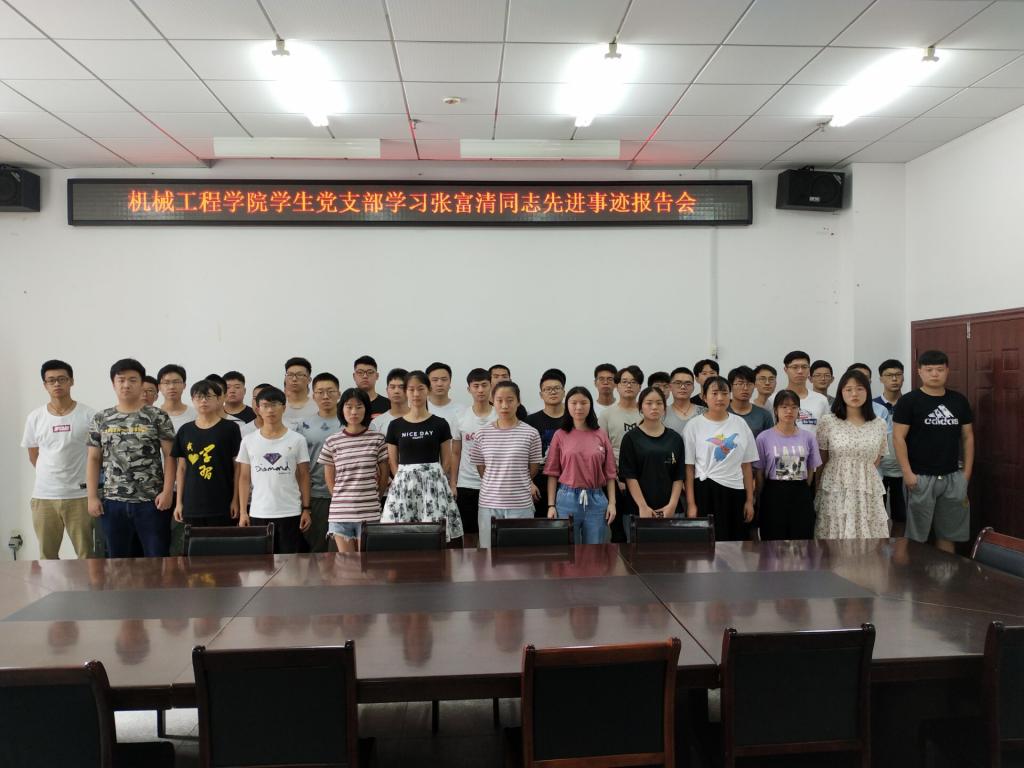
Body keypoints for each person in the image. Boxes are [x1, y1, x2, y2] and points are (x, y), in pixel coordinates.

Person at [87, 359, 176, 557]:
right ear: (113, 384)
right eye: (121, 380)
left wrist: (168, 491)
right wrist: (92, 496)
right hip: (113, 502)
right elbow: (93, 459)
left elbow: (170, 456)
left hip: (152, 501)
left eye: (133, 380)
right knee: (117, 563)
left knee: (157, 560)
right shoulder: (101, 418)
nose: (126, 385)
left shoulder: (157, 416)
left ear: (142, 383)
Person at [893, 350, 974, 553]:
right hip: (919, 478)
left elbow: (968, 437)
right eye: (929, 370)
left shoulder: (958, 400)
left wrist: (966, 474)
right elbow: (898, 438)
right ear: (919, 372)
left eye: (940, 369)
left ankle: (946, 573)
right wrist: (907, 473)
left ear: (947, 371)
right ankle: (913, 573)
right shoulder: (909, 401)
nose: (935, 374)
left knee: (948, 534)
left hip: (952, 477)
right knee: (915, 536)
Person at [21, 359, 97, 559]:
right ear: (45, 385)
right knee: (47, 556)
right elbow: (33, 455)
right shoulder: (35, 417)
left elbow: (97, 456)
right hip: (44, 497)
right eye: (51, 380)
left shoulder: (89, 415)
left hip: (80, 496)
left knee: (87, 556)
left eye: (62, 379)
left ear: (71, 381)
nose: (57, 384)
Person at [382, 370, 464, 543]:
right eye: (411, 389)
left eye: (420, 389)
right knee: (404, 536)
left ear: (428, 390)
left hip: (433, 485)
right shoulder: (395, 425)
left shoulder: (440, 423)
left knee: (434, 534)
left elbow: (447, 460)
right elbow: (392, 461)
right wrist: (402, 480)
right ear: (406, 392)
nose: (416, 394)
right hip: (404, 486)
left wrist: (434, 478)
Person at [814, 370, 889, 539]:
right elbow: (822, 458)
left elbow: (877, 458)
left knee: (868, 536)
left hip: (867, 488)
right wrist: (817, 486)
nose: (854, 394)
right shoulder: (828, 421)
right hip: (836, 486)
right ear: (841, 392)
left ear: (867, 392)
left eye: (860, 388)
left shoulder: (879, 424)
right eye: (848, 389)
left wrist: (860, 473)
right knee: (835, 534)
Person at [237, 386, 311, 554]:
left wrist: (306, 509)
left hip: (290, 511)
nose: (270, 410)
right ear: (258, 409)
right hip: (259, 511)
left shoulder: (297, 439)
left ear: (284, 407)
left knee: (290, 562)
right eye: (265, 405)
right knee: (261, 563)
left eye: (275, 405)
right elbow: (244, 478)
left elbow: (304, 476)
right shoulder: (248, 440)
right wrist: (243, 512)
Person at [683, 376, 757, 542]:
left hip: (735, 490)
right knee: (707, 543)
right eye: (714, 393)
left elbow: (746, 466)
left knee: (735, 542)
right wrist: (691, 504)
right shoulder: (693, 426)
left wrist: (749, 500)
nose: (720, 398)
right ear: (704, 397)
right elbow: (689, 468)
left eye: (724, 393)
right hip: (705, 491)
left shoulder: (740, 423)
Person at [471, 381, 543, 548]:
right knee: (488, 553)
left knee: (518, 554)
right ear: (492, 401)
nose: (504, 405)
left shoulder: (531, 433)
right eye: (499, 400)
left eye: (510, 400)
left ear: (518, 401)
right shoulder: (481, 434)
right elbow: (481, 467)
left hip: (520, 504)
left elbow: (533, 468)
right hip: (489, 504)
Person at [544, 386, 617, 544]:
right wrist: (551, 505)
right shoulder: (560, 435)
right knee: (569, 550)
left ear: (590, 405)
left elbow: (610, 473)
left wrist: (612, 503)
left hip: (596, 499)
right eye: (574, 403)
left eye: (583, 403)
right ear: (567, 405)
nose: (578, 407)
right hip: (567, 499)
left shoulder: (601, 434)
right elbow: (552, 473)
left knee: (595, 550)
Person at [319, 388, 388, 553]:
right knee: (346, 564)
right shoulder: (332, 441)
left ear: (366, 409)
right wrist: (340, 498)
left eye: (359, 406)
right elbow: (329, 477)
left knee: (367, 563)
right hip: (340, 514)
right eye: (349, 407)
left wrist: (375, 497)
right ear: (342, 409)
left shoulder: (377, 439)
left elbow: (384, 475)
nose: (354, 412)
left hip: (369, 512)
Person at [172, 379, 241, 528]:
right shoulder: (185, 430)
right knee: (193, 542)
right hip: (192, 504)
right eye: (199, 397)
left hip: (222, 502)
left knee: (222, 541)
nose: (203, 401)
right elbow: (181, 469)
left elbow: (238, 467)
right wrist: (179, 503)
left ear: (218, 399)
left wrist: (235, 500)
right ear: (192, 400)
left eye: (208, 396)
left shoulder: (230, 428)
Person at [619, 386, 685, 542]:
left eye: (659, 403)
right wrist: (643, 506)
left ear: (664, 407)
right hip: (638, 511)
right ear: (640, 407)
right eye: (649, 403)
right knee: (638, 554)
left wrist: (672, 505)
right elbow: (629, 476)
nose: (654, 407)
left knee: (672, 555)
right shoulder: (631, 438)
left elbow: (678, 476)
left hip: (670, 511)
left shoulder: (675, 438)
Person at [754, 390, 821, 540]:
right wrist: (760, 497)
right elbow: (759, 472)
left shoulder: (808, 437)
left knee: (802, 539)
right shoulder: (763, 438)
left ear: (799, 410)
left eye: (794, 407)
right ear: (775, 410)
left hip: (800, 493)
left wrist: (803, 488)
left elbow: (811, 469)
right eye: (784, 407)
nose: (789, 411)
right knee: (773, 539)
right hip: (773, 493)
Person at [293, 372, 342, 552]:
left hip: (346, 495)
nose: (325, 396)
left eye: (330, 391)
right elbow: (299, 466)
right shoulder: (303, 426)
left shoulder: (351, 422)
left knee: (344, 550)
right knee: (318, 548)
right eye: (320, 392)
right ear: (313, 396)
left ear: (339, 394)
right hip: (316, 495)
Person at [598, 365, 643, 542]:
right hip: (614, 480)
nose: (629, 385)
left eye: (633, 382)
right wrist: (617, 479)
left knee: (639, 530)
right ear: (617, 386)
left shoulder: (646, 412)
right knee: (617, 533)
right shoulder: (606, 415)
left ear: (640, 386)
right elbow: (602, 451)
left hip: (642, 479)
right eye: (624, 382)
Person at [454, 368, 497, 540]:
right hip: (466, 484)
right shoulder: (460, 416)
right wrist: (453, 483)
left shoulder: (499, 415)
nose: (480, 390)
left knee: (493, 535)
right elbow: (455, 452)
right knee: (470, 535)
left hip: (495, 485)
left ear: (491, 386)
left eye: (484, 385)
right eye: (476, 386)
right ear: (469, 389)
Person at [526, 369, 566, 517]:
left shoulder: (574, 419)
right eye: (547, 389)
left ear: (564, 392)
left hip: (568, 484)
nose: (552, 392)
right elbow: (522, 457)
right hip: (537, 485)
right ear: (541, 394)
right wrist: (529, 483)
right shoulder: (530, 421)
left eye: (556, 388)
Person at [874, 359, 907, 536]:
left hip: (905, 469)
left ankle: (900, 549)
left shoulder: (911, 403)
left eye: (898, 375)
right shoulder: (872, 406)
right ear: (881, 379)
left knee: (902, 515)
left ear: (903, 377)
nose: (894, 379)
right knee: (878, 516)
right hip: (878, 468)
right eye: (889, 375)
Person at [426, 361, 465, 492]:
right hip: (427, 477)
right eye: (434, 380)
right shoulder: (420, 409)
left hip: (457, 479)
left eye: (444, 379)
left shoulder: (462, 410)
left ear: (450, 382)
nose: (439, 383)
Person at [782, 350, 829, 435]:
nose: (800, 371)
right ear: (786, 369)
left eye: (804, 367)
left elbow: (826, 433)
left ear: (809, 369)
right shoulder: (774, 399)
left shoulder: (821, 400)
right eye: (795, 367)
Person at [727, 365, 774, 437]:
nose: (745, 388)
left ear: (754, 385)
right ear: (730, 386)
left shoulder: (764, 415)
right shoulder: (722, 411)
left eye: (749, 384)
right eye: (740, 383)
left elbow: (770, 440)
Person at [663, 366, 706, 438]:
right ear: (670, 387)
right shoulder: (662, 413)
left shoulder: (704, 412)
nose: (683, 387)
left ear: (693, 388)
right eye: (678, 383)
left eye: (688, 384)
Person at [370, 368, 410, 438]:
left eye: (401, 387)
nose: (396, 391)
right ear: (387, 390)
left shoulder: (421, 418)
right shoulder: (377, 423)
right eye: (392, 387)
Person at [282, 356, 319, 431]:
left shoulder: (318, 406)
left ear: (309, 380)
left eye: (299, 375)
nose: (294, 379)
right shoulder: (278, 406)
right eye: (290, 375)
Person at [157, 364, 196, 432]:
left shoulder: (196, 415)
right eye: (166, 383)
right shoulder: (151, 415)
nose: (171, 387)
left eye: (176, 382)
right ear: (159, 387)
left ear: (184, 385)